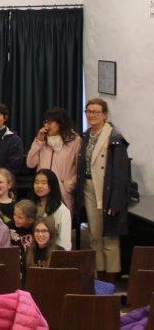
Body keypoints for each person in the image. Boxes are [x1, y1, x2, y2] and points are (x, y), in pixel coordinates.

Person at [75, 98, 130, 280]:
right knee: (94, 235)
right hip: (89, 188)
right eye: (89, 111)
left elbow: (121, 175)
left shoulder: (115, 138)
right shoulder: (86, 135)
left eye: (96, 112)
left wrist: (115, 202)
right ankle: (99, 275)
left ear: (104, 115)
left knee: (110, 236)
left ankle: (111, 277)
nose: (92, 115)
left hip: (107, 191)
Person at [27, 106, 82, 210]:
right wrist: (39, 142)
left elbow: (79, 168)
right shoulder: (42, 139)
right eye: (45, 122)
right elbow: (30, 163)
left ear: (60, 123)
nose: (46, 126)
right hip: (42, 190)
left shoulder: (75, 141)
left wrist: (69, 185)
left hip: (63, 192)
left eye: (50, 123)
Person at [31, 169, 72, 250]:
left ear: (52, 185)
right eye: (36, 182)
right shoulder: (32, 205)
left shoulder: (62, 211)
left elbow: (65, 243)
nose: (39, 186)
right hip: (33, 250)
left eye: (44, 183)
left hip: (53, 252)